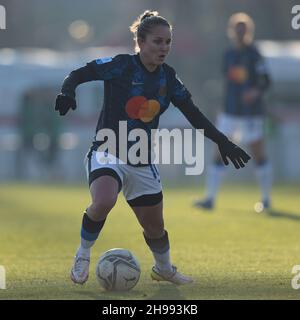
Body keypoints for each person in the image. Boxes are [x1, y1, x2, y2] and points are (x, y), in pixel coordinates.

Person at [55, 10, 250, 285]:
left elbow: (194, 114)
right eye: (157, 42)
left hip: (141, 159)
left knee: (155, 228)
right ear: (141, 41)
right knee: (103, 201)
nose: (164, 48)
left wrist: (223, 141)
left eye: (168, 42)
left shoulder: (168, 78)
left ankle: (164, 269)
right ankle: (83, 254)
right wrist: (67, 92)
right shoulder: (120, 65)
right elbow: (79, 73)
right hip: (107, 148)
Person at [194, 13, 271, 211]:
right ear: (232, 31)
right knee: (220, 150)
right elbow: (227, 83)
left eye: (243, 29)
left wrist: (254, 92)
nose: (240, 33)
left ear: (248, 32)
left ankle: (266, 198)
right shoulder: (228, 54)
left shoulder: (255, 54)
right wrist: (222, 105)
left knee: (258, 152)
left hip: (251, 113)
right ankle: (209, 198)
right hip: (229, 111)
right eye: (237, 29)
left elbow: (265, 81)